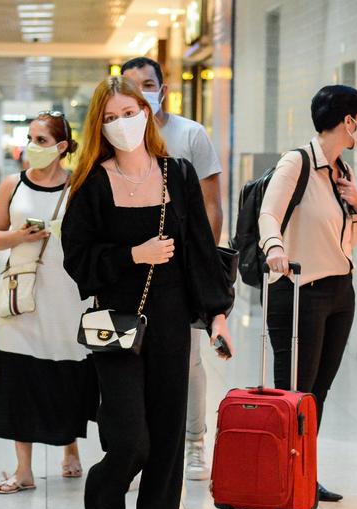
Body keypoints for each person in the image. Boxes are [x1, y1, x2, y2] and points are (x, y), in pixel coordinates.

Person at [62, 77, 234, 509]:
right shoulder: (92, 184)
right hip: (116, 325)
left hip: (171, 324)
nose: (122, 123)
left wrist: (218, 315)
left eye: (130, 111)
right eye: (110, 117)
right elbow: (78, 260)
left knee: (165, 446)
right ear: (99, 125)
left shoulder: (178, 175)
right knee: (130, 442)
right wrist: (131, 256)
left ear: (149, 112)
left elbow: (202, 251)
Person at [258, 85, 357, 503]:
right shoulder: (298, 162)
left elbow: (350, 239)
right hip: (299, 290)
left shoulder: (344, 172)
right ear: (347, 121)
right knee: (293, 393)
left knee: (317, 393)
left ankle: (302, 471)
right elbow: (268, 212)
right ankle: (279, 476)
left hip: (340, 292)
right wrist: (275, 248)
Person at [0, 111, 99, 493]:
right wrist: (18, 236)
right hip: (22, 293)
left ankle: (70, 449)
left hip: (66, 293)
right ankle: (24, 469)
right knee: (20, 375)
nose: (33, 147)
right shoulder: (12, 185)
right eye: (31, 138)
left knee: (65, 369)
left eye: (42, 140)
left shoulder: (79, 186)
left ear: (62, 147)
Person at [122, 56, 223, 481]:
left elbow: (212, 206)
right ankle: (136, 448)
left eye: (148, 84)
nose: (141, 92)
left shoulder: (190, 135)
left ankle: (195, 441)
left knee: (187, 359)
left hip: (180, 271)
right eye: (131, 86)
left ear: (162, 90)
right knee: (131, 357)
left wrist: (203, 268)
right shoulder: (118, 135)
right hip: (133, 267)